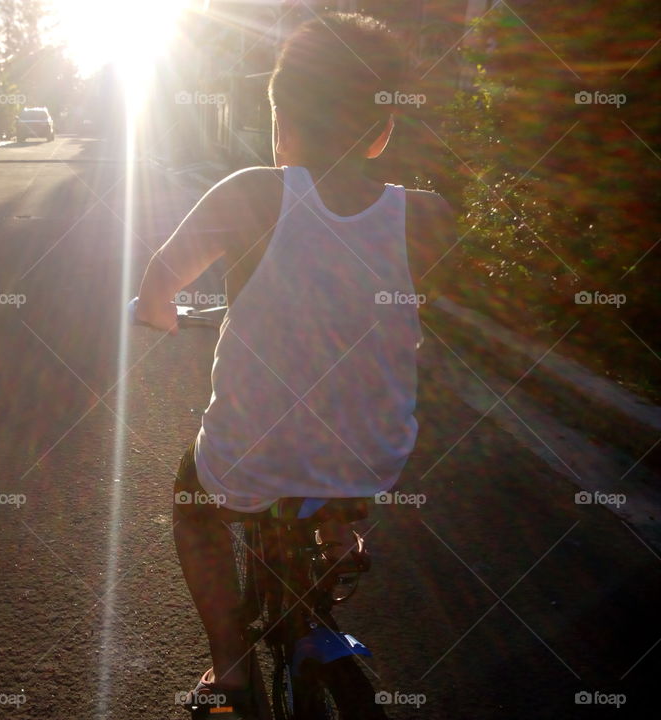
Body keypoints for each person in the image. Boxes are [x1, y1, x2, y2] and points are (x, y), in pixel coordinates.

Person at [136, 12, 455, 719]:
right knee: (352, 429)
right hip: (372, 455)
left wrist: (157, 313)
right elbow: (415, 323)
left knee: (194, 509)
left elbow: (161, 283)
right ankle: (338, 536)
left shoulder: (253, 192)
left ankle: (231, 667)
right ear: (382, 130)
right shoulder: (428, 214)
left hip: (254, 453)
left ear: (280, 123)